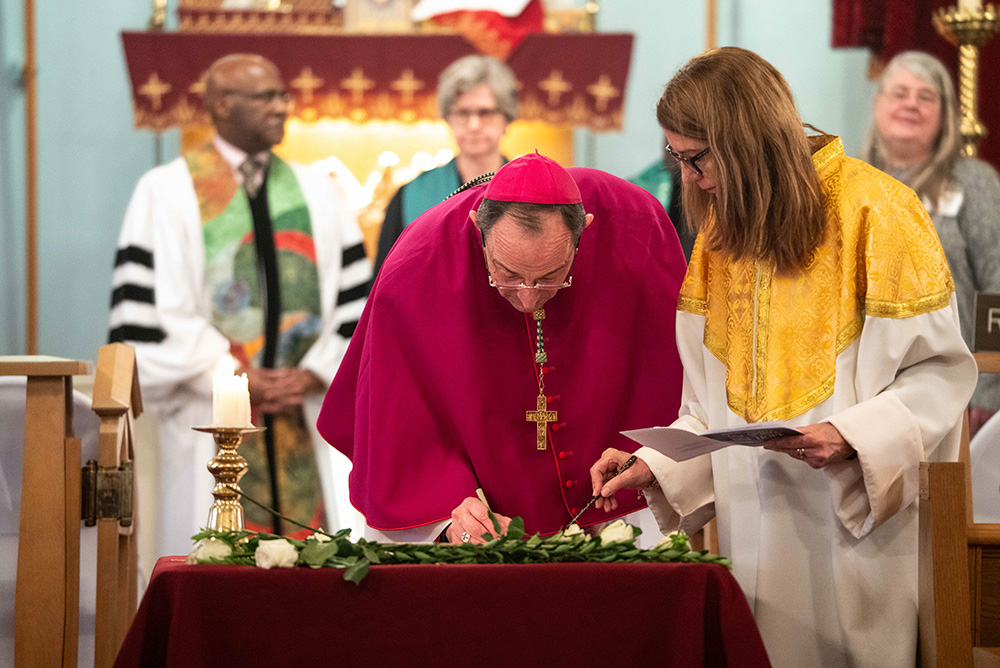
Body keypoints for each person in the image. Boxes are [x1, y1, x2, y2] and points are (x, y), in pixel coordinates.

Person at [588, 47, 977, 668]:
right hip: (752, 526)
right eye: (677, 158)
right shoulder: (720, 241)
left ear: (745, 143)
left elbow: (941, 376)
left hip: (853, 525)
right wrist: (657, 466)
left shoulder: (880, 212)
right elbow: (710, 406)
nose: (687, 178)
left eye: (696, 158)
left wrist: (851, 435)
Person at [318, 152, 686, 544]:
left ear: (585, 232)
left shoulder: (635, 226)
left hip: (616, 516)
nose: (528, 299)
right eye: (507, 274)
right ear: (478, 227)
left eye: (550, 277)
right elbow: (396, 422)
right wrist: (447, 510)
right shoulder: (418, 264)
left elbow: (675, 379)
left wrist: (653, 459)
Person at [109, 54, 371, 556]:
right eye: (267, 96)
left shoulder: (319, 192)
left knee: (320, 564)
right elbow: (151, 314)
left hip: (306, 408)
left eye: (283, 95)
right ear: (222, 104)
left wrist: (314, 371)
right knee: (214, 563)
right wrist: (232, 374)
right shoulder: (164, 192)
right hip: (209, 412)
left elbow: (356, 301)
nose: (282, 107)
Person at [862, 50, 1000, 437]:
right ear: (878, 104)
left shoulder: (973, 183)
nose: (911, 104)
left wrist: (990, 387)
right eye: (900, 93)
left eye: (926, 96)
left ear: (945, 114)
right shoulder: (852, 183)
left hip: (958, 392)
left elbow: (998, 286)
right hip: (869, 396)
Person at [373, 55, 517, 273]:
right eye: (462, 113)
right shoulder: (410, 196)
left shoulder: (533, 192)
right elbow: (383, 286)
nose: (474, 125)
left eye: (485, 112)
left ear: (506, 118)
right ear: (447, 119)